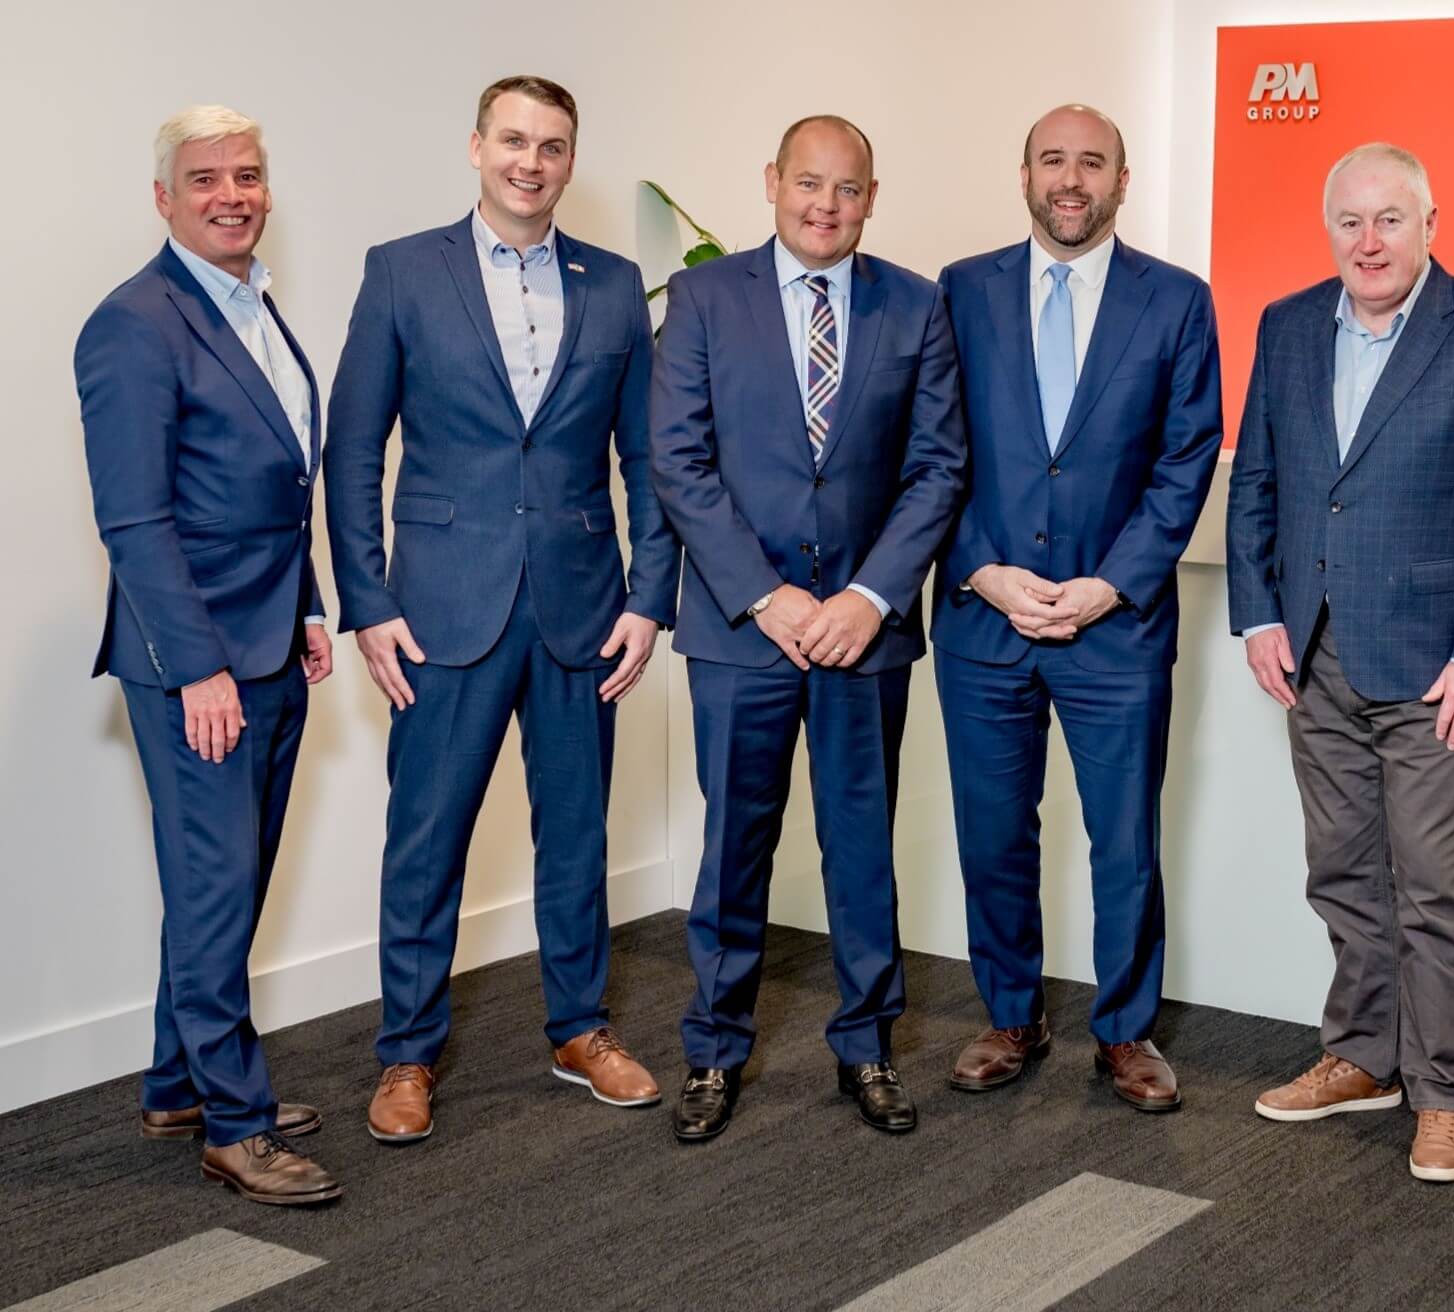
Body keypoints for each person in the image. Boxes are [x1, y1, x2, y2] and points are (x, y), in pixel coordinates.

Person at [325, 75, 679, 1143]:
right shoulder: (402, 271)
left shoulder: (613, 284)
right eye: (515, 141)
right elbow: (351, 448)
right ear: (477, 146)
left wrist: (650, 596)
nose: (533, 162)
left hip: (581, 605)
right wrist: (367, 601)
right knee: (425, 838)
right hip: (437, 608)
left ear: (571, 160)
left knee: (575, 832)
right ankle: (406, 1054)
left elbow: (647, 457)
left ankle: (579, 1029)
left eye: (554, 146)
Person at [1227, 142, 1454, 1183]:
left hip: (1431, 671)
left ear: (1429, 225)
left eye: (1388, 220)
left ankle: (1441, 1093)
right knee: (1342, 873)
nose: (1367, 241)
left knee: (1434, 888)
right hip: (1310, 652)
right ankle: (1363, 1056)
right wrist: (1256, 617)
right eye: (1349, 223)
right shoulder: (1284, 327)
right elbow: (1257, 489)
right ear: (1328, 232)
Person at [650, 115, 967, 1140]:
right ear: (770, 182)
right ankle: (713, 1052)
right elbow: (679, 465)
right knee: (733, 847)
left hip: (862, 634)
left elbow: (936, 469)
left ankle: (866, 1046)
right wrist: (766, 595)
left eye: (845, 188)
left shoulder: (916, 306)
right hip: (742, 633)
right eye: (806, 184)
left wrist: (866, 598)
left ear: (871, 196)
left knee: (858, 848)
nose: (824, 205)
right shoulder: (703, 298)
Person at [933, 104, 1222, 1112]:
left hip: (1116, 625)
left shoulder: (1177, 301)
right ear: (1023, 174)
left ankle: (1124, 1029)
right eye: (1052, 160)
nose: (1070, 179)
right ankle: (1010, 1011)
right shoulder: (960, 292)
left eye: (1089, 162)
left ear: (1121, 179)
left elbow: (1185, 458)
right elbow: (932, 455)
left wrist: (1111, 581)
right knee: (993, 832)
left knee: (1124, 837)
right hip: (984, 622)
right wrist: (979, 569)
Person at [77, 105, 340, 1205]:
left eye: (247, 173)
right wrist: (197, 667)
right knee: (218, 883)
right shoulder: (133, 324)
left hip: (272, 637)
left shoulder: (252, 303)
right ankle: (234, 1125)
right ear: (163, 198)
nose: (230, 193)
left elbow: (281, 485)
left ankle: (177, 1079)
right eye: (204, 178)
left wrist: (312, 605)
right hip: (197, 662)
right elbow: (133, 520)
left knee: (216, 885)